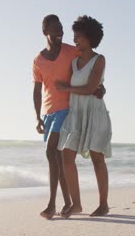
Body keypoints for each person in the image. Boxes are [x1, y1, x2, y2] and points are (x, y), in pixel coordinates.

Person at [32, 14, 105, 219]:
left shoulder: (71, 50)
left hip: (67, 107)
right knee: (57, 156)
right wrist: (38, 117)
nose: (60, 33)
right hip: (49, 111)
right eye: (55, 30)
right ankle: (68, 203)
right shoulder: (38, 60)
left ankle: (52, 204)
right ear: (45, 31)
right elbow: (37, 91)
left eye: (61, 29)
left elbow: (89, 63)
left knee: (51, 152)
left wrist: (100, 86)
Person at [55, 15, 112, 218]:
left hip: (94, 113)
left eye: (78, 36)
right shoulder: (73, 63)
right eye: (75, 36)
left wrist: (67, 87)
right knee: (66, 156)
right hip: (75, 114)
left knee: (97, 158)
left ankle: (103, 205)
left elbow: (89, 87)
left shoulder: (99, 59)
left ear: (89, 37)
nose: (75, 40)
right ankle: (76, 204)